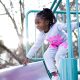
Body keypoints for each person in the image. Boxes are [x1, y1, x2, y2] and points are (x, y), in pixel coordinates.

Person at [22, 8, 78, 80]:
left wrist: (77, 24)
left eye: (38, 23)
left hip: (64, 42)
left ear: (47, 22)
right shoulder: (41, 34)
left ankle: (61, 72)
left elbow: (67, 26)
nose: (37, 25)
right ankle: (54, 74)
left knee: (58, 56)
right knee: (46, 55)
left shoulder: (56, 26)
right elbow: (36, 46)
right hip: (54, 45)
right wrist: (28, 57)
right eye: (36, 23)